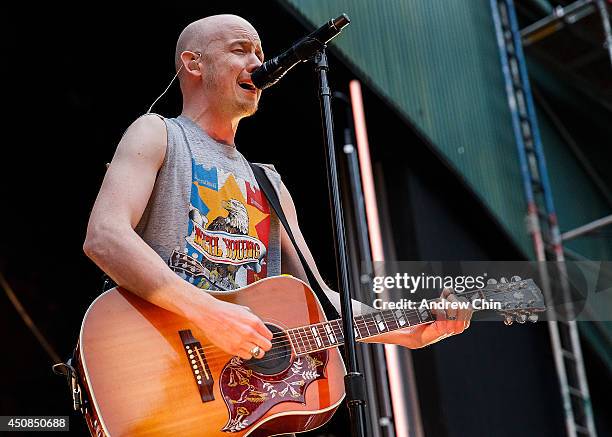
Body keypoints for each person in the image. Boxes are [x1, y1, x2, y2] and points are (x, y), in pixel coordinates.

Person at [83, 14, 471, 366]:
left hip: (239, 393)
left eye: (259, 52)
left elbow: (316, 299)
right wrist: (208, 312)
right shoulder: (157, 133)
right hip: (161, 362)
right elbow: (105, 237)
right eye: (240, 50)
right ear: (194, 63)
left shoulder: (268, 184)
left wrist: (409, 330)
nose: (257, 64)